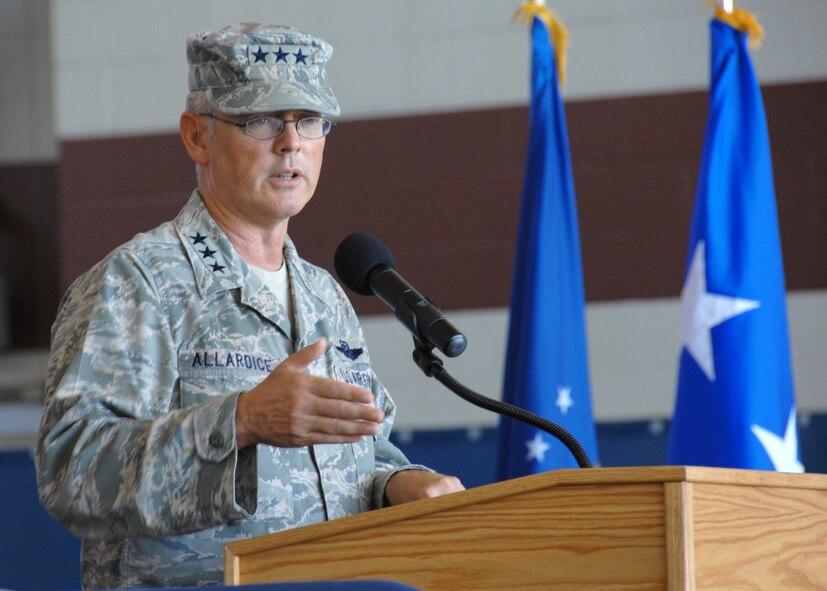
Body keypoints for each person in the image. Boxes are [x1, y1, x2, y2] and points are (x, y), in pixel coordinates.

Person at [36, 22, 464, 589]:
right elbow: (72, 473)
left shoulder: (324, 294)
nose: (291, 142)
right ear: (197, 137)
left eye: (309, 120)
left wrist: (395, 482)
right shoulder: (138, 283)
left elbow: (360, 454)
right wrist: (238, 421)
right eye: (260, 120)